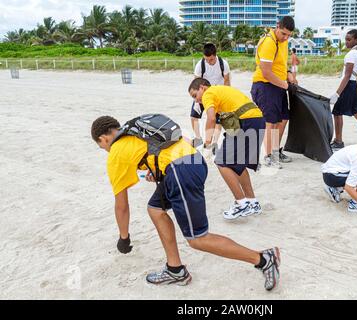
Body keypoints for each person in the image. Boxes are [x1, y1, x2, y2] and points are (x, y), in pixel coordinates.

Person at [90, 115, 281, 291]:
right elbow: (166, 147)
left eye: (102, 147)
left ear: (104, 139)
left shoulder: (116, 152)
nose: (105, 150)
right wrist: (159, 170)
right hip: (192, 162)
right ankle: (175, 270)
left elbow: (121, 205)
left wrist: (124, 238)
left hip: (180, 173)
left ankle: (263, 259)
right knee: (155, 209)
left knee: (198, 239)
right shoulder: (135, 130)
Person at [188, 78, 265, 220]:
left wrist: (207, 143)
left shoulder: (208, 93)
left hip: (246, 121)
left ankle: (241, 204)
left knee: (222, 162)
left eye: (195, 96)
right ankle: (252, 202)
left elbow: (211, 119)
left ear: (203, 87)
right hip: (257, 120)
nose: (197, 101)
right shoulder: (220, 92)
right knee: (238, 165)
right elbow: (226, 122)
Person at [251, 16, 297, 169]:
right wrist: (285, 84)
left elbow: (281, 63)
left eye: (289, 35)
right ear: (277, 26)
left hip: (278, 85)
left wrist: (289, 73)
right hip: (265, 86)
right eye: (283, 34)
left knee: (283, 119)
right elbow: (266, 72)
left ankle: (276, 151)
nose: (286, 38)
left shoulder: (283, 41)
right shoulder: (269, 42)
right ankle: (268, 156)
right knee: (270, 122)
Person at [329, 29, 357, 150]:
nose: (346, 42)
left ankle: (338, 141)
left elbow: (347, 75)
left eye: (349, 40)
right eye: (346, 40)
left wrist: (337, 94)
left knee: (337, 112)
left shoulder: (351, 54)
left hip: (350, 86)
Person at [191, 43, 231, 148]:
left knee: (218, 120)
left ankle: (214, 142)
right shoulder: (200, 64)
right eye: (206, 60)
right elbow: (196, 82)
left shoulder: (223, 64)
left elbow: (227, 82)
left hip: (218, 96)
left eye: (211, 60)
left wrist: (226, 98)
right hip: (203, 94)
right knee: (193, 116)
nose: (209, 62)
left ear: (215, 55)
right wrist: (196, 101)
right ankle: (198, 138)